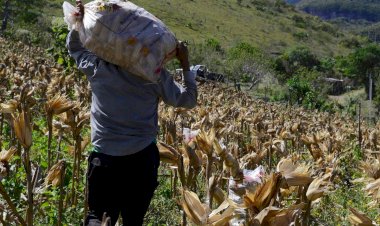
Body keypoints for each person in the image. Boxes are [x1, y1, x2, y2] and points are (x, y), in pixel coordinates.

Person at [66, 1, 197, 225]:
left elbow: (75, 48)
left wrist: (79, 20)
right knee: (133, 220)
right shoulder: (155, 76)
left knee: (98, 216)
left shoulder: (97, 68)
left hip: (105, 157)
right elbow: (188, 100)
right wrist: (185, 65)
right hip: (142, 160)